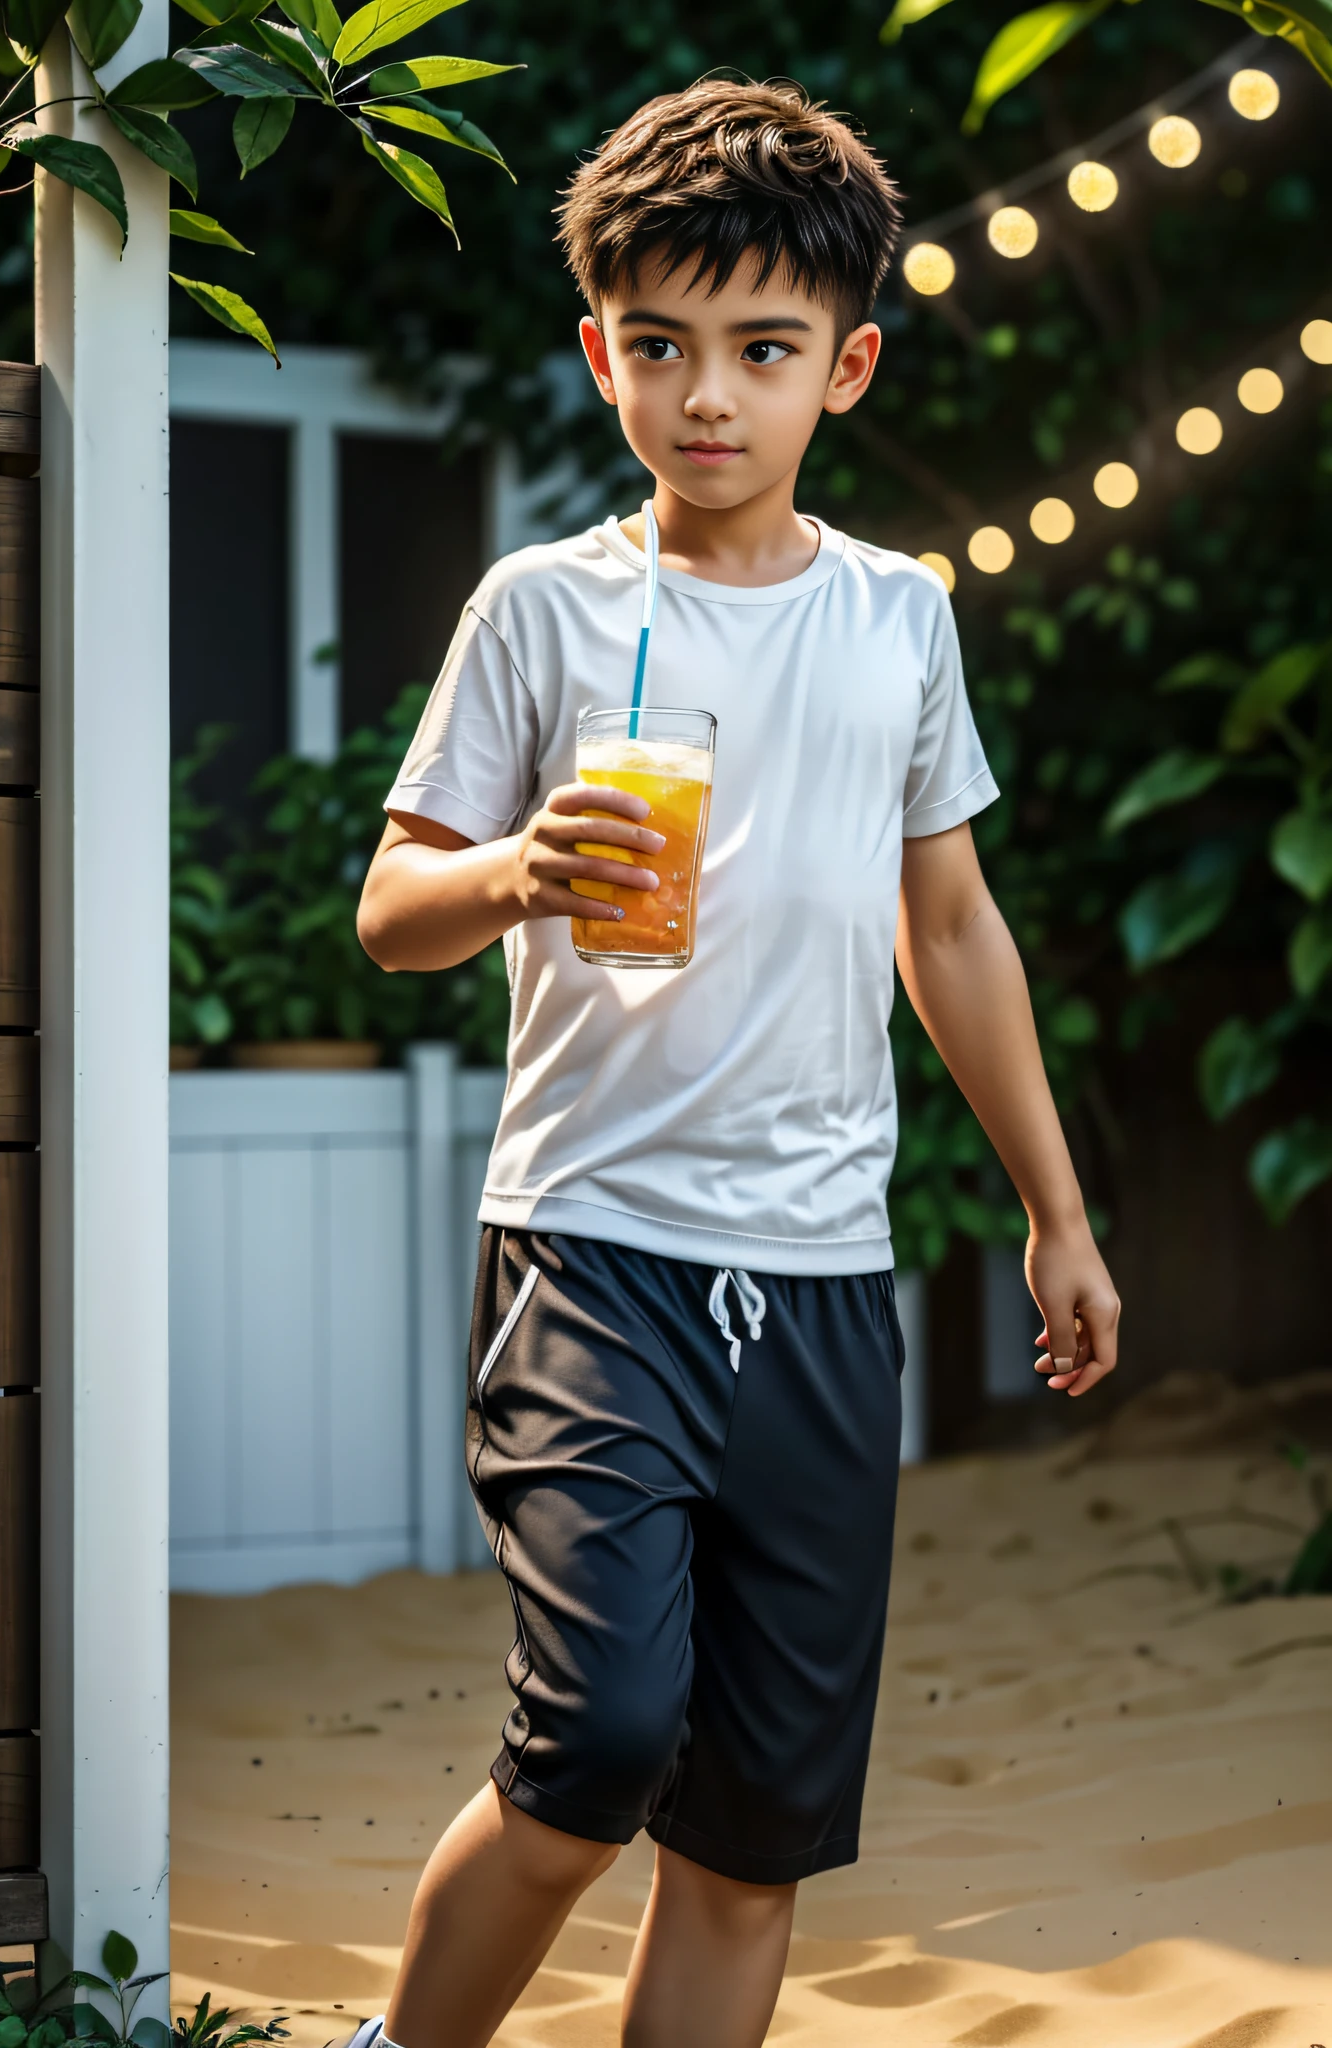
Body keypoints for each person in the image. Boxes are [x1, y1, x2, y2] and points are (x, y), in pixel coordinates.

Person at [354, 76, 1121, 2048]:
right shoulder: (541, 610)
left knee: (750, 1832)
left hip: (819, 1287)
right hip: (590, 1250)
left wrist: (1053, 1210)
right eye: (663, 347)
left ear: (841, 367)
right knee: (598, 1737)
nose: (709, 394)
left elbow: (942, 928)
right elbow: (392, 909)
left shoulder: (896, 620)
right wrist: (520, 863)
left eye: (762, 350)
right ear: (599, 349)